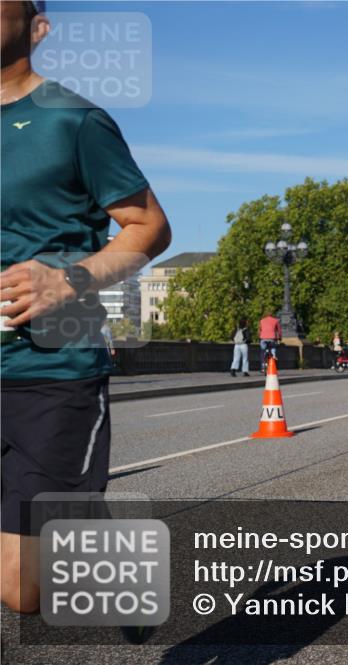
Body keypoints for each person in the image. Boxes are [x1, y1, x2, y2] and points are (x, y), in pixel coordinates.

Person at [0, 0, 172, 615]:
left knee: (23, 591)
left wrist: (64, 282)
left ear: (37, 26)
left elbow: (148, 226)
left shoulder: (72, 120)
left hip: (48, 373)